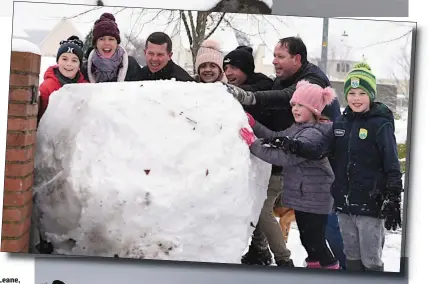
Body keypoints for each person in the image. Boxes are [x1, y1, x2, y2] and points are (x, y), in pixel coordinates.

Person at [235, 37, 342, 267]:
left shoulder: (313, 131)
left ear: (297, 59)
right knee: (310, 243)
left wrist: (253, 142)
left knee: (318, 245)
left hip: (315, 198)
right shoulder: (300, 126)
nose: (293, 109)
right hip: (304, 197)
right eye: (293, 106)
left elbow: (283, 154)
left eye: (280, 56)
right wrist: (254, 125)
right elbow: (278, 138)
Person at [330, 62, 402, 272]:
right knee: (351, 256)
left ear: (371, 94)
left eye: (362, 92)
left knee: (370, 259)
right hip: (344, 205)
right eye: (351, 93)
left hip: (371, 205)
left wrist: (393, 195)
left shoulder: (380, 124)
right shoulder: (341, 123)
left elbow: (392, 162)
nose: (356, 98)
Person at [38, 35, 87, 123]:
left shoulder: (86, 87)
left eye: (74, 60)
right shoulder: (47, 87)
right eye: (64, 59)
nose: (69, 64)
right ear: (58, 61)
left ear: (79, 65)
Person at [81, 13, 141, 83]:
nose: (107, 43)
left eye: (111, 39)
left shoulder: (131, 65)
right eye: (101, 39)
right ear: (96, 44)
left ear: (117, 43)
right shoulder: (85, 69)